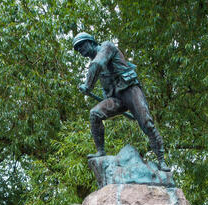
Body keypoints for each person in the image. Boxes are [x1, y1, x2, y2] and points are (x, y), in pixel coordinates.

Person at [73, 32, 170, 170]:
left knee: (147, 124)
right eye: (78, 49)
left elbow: (98, 64)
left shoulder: (106, 47)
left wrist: (88, 85)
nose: (81, 50)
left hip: (130, 91)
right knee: (94, 114)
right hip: (116, 98)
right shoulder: (95, 65)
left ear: (91, 42)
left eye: (82, 45)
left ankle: (161, 161)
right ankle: (100, 151)